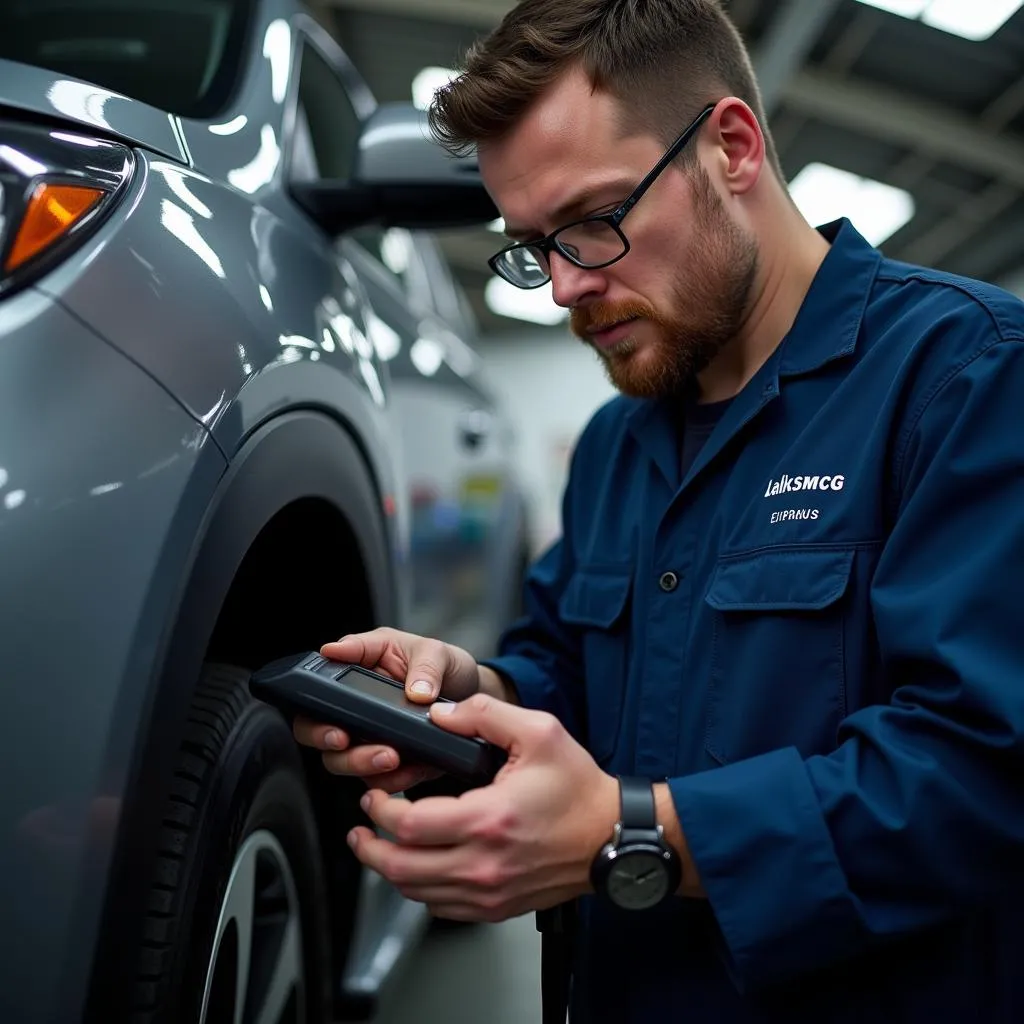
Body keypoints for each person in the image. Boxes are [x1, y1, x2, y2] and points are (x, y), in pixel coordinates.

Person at [293, 1, 1024, 1020]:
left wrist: (632, 828)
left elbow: (982, 770)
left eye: (592, 221)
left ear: (731, 146)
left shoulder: (969, 376)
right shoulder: (617, 442)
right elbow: (571, 667)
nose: (559, 287)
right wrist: (472, 696)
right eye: (532, 245)